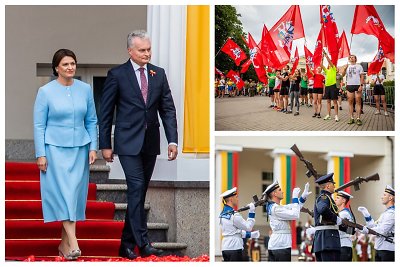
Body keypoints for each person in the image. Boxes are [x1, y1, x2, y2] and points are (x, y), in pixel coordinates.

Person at [98, 30, 178, 259]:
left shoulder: (158, 74)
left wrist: (172, 140)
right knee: (135, 188)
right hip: (126, 143)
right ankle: (144, 243)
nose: (146, 53)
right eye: (142, 50)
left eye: (148, 49)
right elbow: (106, 113)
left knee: (139, 193)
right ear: (130, 51)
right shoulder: (117, 74)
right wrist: (106, 143)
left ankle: (125, 244)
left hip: (151, 142)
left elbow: (168, 109)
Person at [33, 49, 98, 260]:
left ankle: (63, 244)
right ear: (56, 68)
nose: (70, 67)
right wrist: (40, 154)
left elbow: (91, 120)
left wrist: (93, 147)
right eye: (65, 64)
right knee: (64, 194)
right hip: (54, 150)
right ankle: (74, 242)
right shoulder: (45, 92)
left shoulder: (85, 89)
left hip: (80, 148)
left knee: (74, 195)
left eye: (73, 63)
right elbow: (39, 125)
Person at [264, 181, 312, 261]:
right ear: (274, 194)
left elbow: (294, 207)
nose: (282, 191)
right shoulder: (276, 208)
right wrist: (295, 197)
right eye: (279, 190)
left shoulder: (276, 207)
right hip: (281, 245)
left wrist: (303, 197)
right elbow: (295, 214)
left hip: (278, 244)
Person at [219, 187, 259, 261]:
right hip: (235, 247)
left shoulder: (222, 214)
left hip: (225, 248)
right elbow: (248, 227)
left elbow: (234, 232)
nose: (238, 199)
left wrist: (251, 235)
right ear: (231, 199)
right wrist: (252, 212)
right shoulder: (234, 215)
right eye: (236, 197)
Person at [358, 185, 395, 261]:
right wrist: (367, 215)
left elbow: (382, 230)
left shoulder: (392, 213)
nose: (382, 197)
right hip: (379, 248)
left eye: (384, 195)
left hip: (388, 249)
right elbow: (374, 226)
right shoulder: (385, 213)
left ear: (390, 198)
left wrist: (367, 230)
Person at [312, 173, 343, 261]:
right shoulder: (324, 197)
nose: (334, 186)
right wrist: (335, 218)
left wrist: (351, 229)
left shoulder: (326, 198)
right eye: (333, 184)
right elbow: (323, 209)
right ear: (328, 186)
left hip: (324, 239)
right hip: (328, 240)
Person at [342, 55, 364, 125]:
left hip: (357, 85)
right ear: (349, 59)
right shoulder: (347, 67)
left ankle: (358, 118)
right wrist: (345, 69)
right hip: (349, 85)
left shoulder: (359, 66)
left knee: (358, 101)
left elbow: (362, 76)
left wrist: (361, 85)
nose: (351, 58)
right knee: (350, 102)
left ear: (355, 59)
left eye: (353, 57)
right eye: (350, 57)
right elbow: (342, 75)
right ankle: (351, 118)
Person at [335, 191, 356, 261]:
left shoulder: (344, 214)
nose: (335, 199)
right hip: (342, 244)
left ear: (343, 200)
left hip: (343, 245)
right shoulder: (342, 213)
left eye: (337, 198)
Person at [322, 50, 340, 122]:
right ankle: (328, 115)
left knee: (335, 102)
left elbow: (329, 61)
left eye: (330, 63)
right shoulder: (327, 71)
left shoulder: (334, 69)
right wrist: (322, 58)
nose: (329, 64)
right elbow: (321, 65)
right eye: (329, 64)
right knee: (328, 101)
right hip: (327, 86)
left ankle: (336, 116)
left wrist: (326, 54)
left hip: (333, 86)